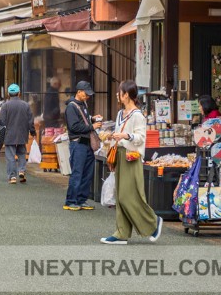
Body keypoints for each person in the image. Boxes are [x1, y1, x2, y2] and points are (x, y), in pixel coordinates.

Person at [100, 80, 163, 245]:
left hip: (131, 157)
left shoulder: (138, 116)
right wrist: (112, 136)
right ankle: (121, 232)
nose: (117, 94)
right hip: (120, 154)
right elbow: (119, 132)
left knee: (128, 196)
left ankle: (153, 222)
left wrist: (125, 136)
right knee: (121, 196)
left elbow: (141, 138)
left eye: (119, 92)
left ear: (126, 94)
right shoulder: (121, 113)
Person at [64, 81, 101, 212]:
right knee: (77, 172)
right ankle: (70, 201)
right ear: (79, 91)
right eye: (86, 94)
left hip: (86, 143)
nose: (88, 97)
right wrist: (92, 126)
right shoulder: (71, 106)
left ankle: (81, 199)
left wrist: (92, 119)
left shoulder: (83, 104)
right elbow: (74, 127)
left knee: (87, 173)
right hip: (77, 143)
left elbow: (81, 121)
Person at [0, 83, 34, 184]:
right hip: (22, 133)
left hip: (9, 134)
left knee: (10, 156)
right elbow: (30, 121)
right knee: (22, 153)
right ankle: (22, 171)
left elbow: (2, 122)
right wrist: (32, 131)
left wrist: (0, 135)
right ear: (19, 93)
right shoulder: (26, 105)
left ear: (8, 94)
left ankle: (12, 176)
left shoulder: (5, 106)